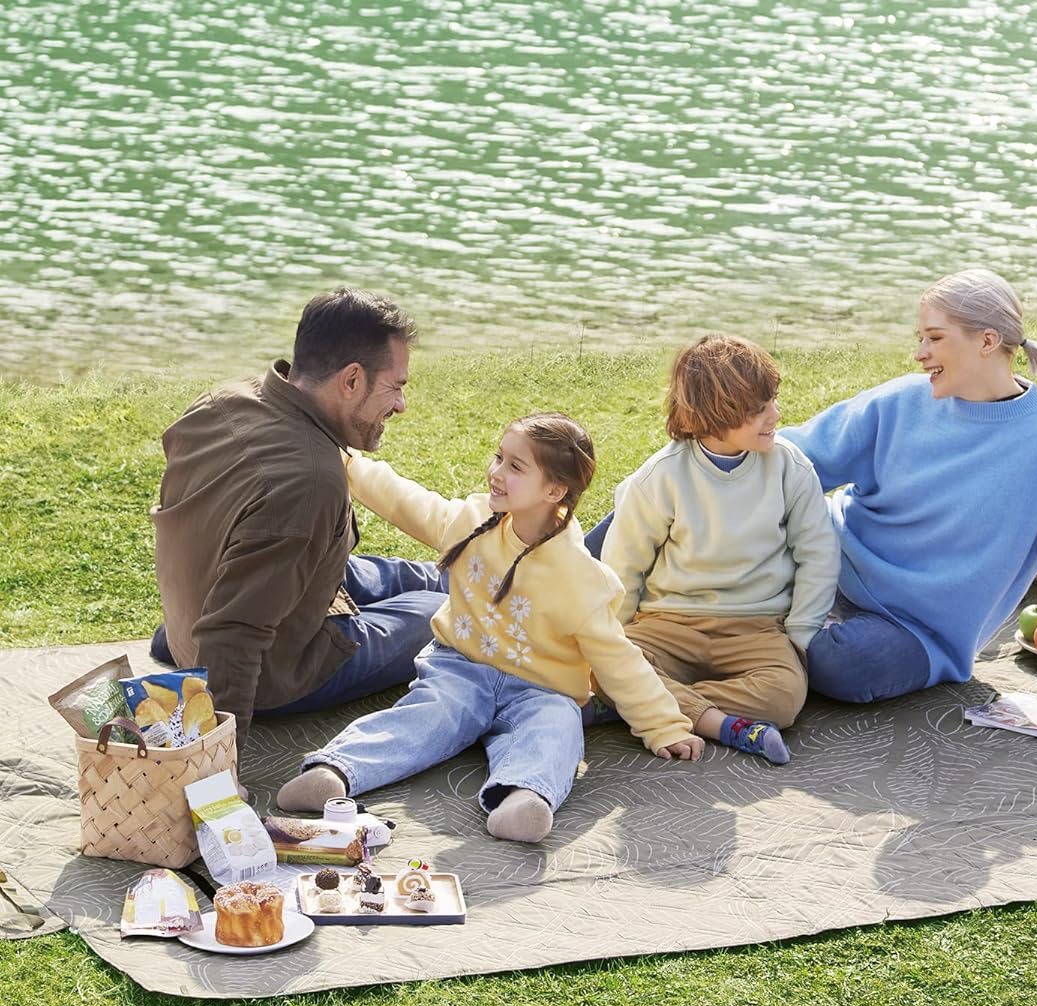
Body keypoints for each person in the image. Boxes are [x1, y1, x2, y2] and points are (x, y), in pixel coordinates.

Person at [777, 268, 1037, 716]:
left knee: (846, 666)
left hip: (917, 631)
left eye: (935, 338)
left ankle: (760, 640)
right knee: (753, 548)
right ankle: (762, 640)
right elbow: (792, 459)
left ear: (987, 341)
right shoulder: (897, 403)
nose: (920, 353)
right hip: (827, 564)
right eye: (920, 338)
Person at [276, 413, 704, 844]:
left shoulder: (581, 579)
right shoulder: (472, 522)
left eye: (515, 467)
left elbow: (618, 660)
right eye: (499, 457)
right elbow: (407, 501)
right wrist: (350, 464)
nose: (496, 472)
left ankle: (524, 797)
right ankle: (337, 771)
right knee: (430, 713)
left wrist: (663, 726)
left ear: (555, 490)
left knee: (556, 728)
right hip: (460, 667)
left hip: (541, 689)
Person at [151, 288, 446, 749]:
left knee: (436, 575)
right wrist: (216, 764)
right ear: (352, 380)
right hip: (276, 667)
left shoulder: (222, 400)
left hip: (200, 616)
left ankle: (496, 571)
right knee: (448, 611)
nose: (401, 404)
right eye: (396, 386)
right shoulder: (309, 482)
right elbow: (233, 634)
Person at [596, 334, 840, 764]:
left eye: (773, 400)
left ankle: (644, 704)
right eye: (758, 409)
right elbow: (623, 565)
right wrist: (616, 633)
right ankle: (724, 725)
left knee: (784, 696)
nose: (776, 414)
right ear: (713, 415)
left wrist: (800, 633)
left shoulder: (790, 466)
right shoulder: (660, 476)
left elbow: (818, 553)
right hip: (668, 623)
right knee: (604, 664)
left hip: (756, 627)